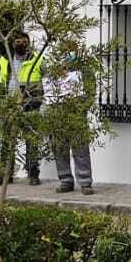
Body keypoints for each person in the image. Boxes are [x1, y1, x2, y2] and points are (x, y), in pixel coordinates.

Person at [0, 32, 45, 186]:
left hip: (30, 104)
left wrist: (34, 99)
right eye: (17, 41)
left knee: (31, 140)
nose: (20, 44)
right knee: (7, 142)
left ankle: (33, 174)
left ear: (28, 43)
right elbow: (2, 82)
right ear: (12, 43)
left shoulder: (37, 59)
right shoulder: (5, 60)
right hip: (10, 105)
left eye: (23, 42)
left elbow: (46, 81)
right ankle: (5, 175)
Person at [50, 49, 94, 195]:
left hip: (77, 115)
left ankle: (85, 182)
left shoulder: (85, 70)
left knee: (80, 148)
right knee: (60, 148)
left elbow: (90, 91)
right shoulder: (55, 71)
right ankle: (65, 180)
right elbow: (48, 91)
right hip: (58, 114)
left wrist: (82, 108)